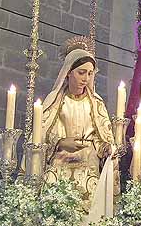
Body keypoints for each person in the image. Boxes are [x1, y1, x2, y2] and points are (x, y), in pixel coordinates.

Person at [41, 39, 119, 216]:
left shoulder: (96, 104)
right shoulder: (55, 100)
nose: (86, 78)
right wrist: (60, 142)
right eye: (81, 72)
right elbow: (41, 134)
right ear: (68, 73)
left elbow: (101, 136)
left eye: (90, 73)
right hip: (61, 160)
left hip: (87, 164)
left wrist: (105, 148)